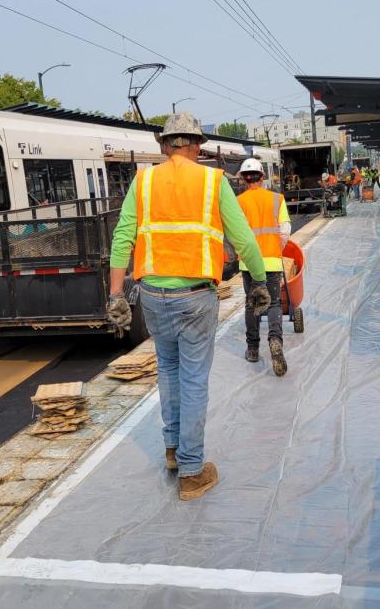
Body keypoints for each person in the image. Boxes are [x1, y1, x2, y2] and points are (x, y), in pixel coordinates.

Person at [106, 114, 270, 502]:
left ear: (165, 146)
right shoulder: (213, 182)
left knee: (168, 368)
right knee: (194, 379)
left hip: (152, 294)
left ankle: (172, 452)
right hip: (196, 297)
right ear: (197, 145)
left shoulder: (143, 181)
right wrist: (260, 282)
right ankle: (193, 471)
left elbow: (123, 236)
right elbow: (243, 239)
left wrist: (116, 294)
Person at [235, 158, 292, 376]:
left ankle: (252, 348)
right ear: (262, 176)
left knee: (252, 304)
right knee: (275, 303)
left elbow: (235, 234)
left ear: (243, 178)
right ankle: (275, 340)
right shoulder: (277, 199)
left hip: (249, 264)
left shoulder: (239, 202)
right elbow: (285, 230)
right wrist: (277, 248)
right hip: (272, 261)